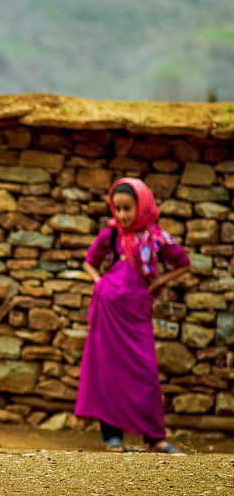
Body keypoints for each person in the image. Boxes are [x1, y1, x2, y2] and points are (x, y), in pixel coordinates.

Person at [75, 178, 190, 454]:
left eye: (128, 208)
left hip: (137, 312)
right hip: (108, 311)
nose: (123, 215)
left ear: (142, 205)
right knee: (108, 370)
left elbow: (183, 263)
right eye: (119, 209)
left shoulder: (158, 237)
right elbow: (89, 261)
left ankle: (154, 437)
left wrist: (158, 283)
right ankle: (112, 438)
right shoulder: (111, 234)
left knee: (145, 371)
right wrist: (99, 282)